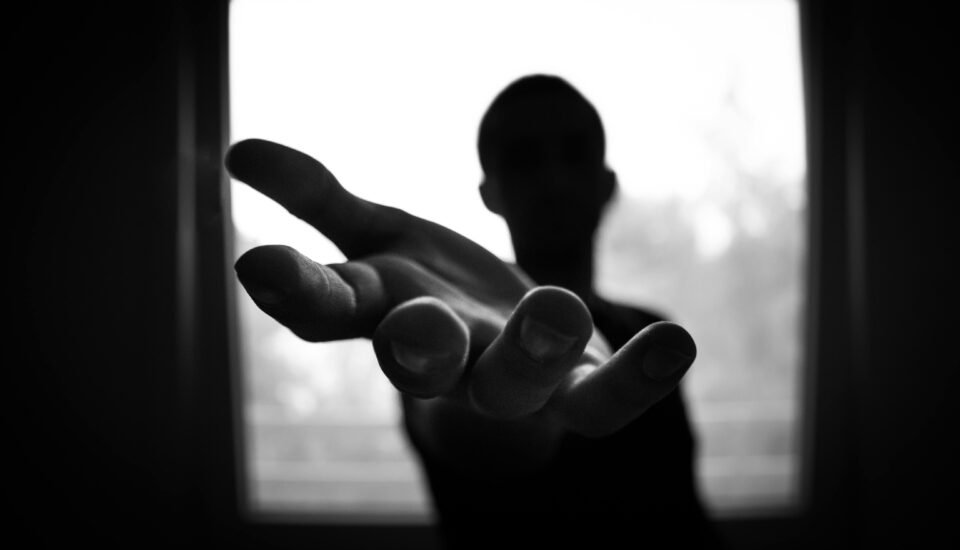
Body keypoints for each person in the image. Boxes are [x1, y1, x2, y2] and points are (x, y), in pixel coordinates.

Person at [226, 74, 722, 548]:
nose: (553, 178)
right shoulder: (457, 333)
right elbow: (471, 433)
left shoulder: (644, 329)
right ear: (490, 193)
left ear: (607, 183)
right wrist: (503, 397)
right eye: (524, 158)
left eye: (575, 152)